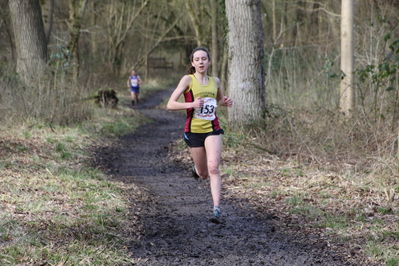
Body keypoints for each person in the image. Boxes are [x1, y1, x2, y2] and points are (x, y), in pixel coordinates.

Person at [167, 47, 233, 222]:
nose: (201, 62)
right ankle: (197, 169)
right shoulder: (188, 80)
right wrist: (191, 105)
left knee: (213, 167)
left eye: (204, 59)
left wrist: (224, 102)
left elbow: (218, 100)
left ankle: (216, 209)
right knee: (203, 173)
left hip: (212, 128)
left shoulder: (215, 81)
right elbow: (170, 104)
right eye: (197, 59)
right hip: (193, 130)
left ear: (209, 61)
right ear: (193, 63)